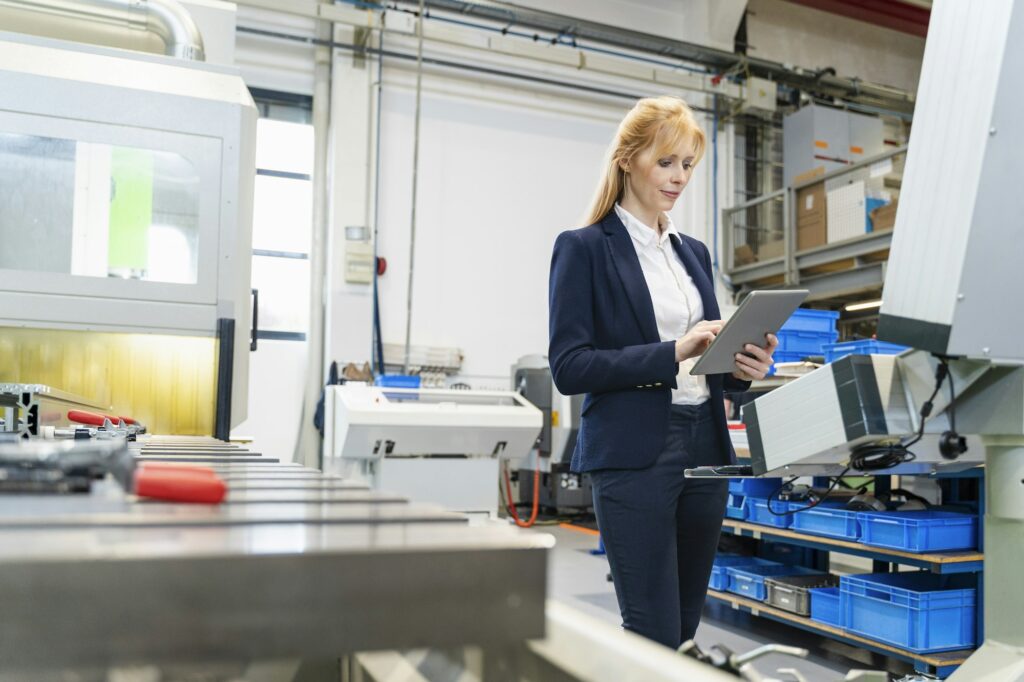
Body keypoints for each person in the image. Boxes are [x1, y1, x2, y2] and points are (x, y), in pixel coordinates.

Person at [547, 95, 778, 649]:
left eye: (688, 165)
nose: (679, 178)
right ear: (628, 159)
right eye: (666, 162)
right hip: (634, 455)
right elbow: (569, 367)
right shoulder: (584, 249)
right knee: (651, 630)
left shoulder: (692, 252)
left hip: (705, 444)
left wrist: (745, 367)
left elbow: (708, 368)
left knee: (684, 625)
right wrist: (673, 350)